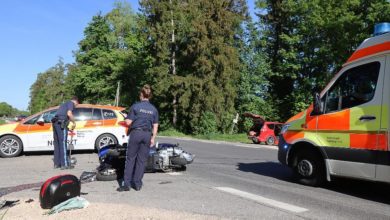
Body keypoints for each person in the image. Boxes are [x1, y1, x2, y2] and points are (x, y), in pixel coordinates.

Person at [117, 85, 159, 192]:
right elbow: (155, 125)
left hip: (136, 133)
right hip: (147, 135)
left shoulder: (135, 107)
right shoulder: (154, 109)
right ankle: (137, 184)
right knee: (141, 160)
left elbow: (129, 122)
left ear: (141, 95)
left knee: (131, 158)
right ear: (149, 96)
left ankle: (126, 184)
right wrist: (153, 138)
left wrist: (126, 118)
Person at [52, 96, 79, 169]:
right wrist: (74, 122)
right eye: (77, 104)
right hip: (61, 123)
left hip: (55, 123)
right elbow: (69, 114)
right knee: (63, 143)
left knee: (57, 143)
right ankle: (65, 164)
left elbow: (63, 114)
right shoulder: (71, 103)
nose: (76, 106)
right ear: (76, 101)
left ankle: (57, 164)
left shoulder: (64, 104)